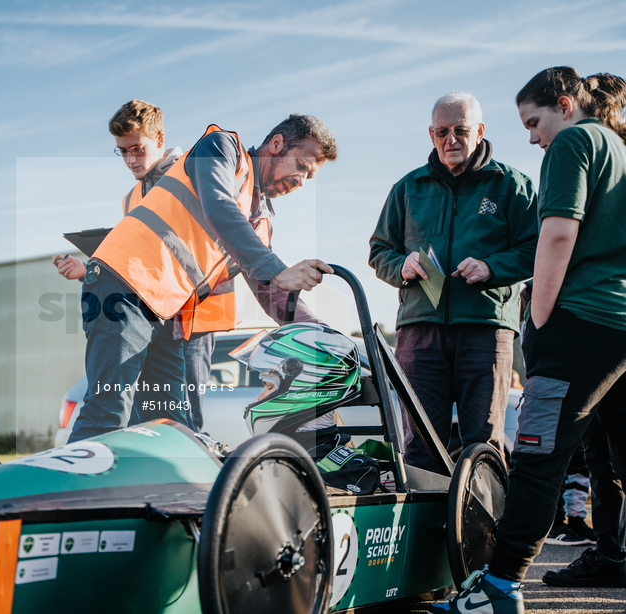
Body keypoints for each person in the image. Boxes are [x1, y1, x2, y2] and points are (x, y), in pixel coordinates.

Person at [429, 67, 626, 613]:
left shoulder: (575, 142)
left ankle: (497, 588)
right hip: (618, 326)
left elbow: (558, 231)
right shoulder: (619, 146)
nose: (533, 137)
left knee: (537, 457)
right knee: (615, 461)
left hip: (576, 326)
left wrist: (538, 318)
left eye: (535, 123)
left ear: (565, 104)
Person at [69, 114, 336, 442]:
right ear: (277, 144)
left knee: (171, 425)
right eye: (301, 167)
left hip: (164, 309)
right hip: (122, 284)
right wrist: (279, 270)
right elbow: (219, 206)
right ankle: (62, 493)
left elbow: (270, 291)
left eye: (310, 177)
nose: (301, 182)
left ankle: (166, 494)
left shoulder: (259, 220)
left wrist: (324, 334)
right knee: (109, 409)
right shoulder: (223, 147)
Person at [369, 92, 539, 471]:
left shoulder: (513, 185)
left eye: (460, 130)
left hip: (486, 330)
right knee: (420, 443)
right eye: (442, 131)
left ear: (479, 130)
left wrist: (492, 268)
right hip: (419, 332)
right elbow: (380, 250)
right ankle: (426, 530)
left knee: (484, 441)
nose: (451, 140)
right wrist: (402, 265)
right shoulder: (407, 188)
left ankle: (482, 530)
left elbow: (538, 249)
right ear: (431, 134)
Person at [229, 322, 380, 495]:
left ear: (304, 388)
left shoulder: (355, 469)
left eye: (269, 387)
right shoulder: (260, 451)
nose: (260, 397)